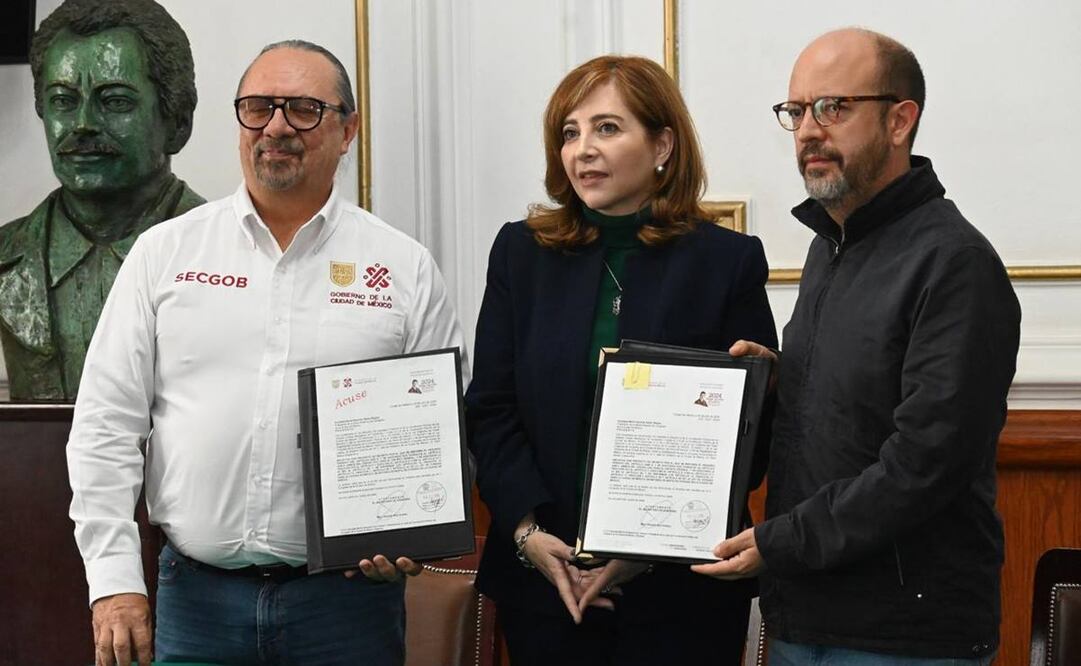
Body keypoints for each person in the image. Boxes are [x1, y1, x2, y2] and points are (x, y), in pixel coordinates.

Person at [67, 40, 467, 666]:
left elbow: (441, 437)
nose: (275, 126)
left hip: (347, 608)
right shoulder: (165, 254)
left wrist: (409, 534)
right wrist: (114, 583)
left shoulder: (403, 269)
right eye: (256, 107)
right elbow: (104, 427)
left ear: (348, 129)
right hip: (195, 604)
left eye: (303, 109)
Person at [693, 28, 1020, 664]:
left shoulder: (956, 263)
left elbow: (925, 464)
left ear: (900, 121)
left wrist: (780, 542)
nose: (809, 130)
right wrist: (783, 379)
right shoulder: (830, 245)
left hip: (904, 634)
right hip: (806, 613)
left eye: (833, 107)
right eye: (796, 111)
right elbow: (863, 398)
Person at [465, 55, 777, 665]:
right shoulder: (520, 254)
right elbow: (492, 409)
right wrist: (529, 535)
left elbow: (749, 437)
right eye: (569, 132)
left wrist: (649, 544)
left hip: (681, 592)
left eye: (607, 128)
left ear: (662, 144)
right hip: (546, 583)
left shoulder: (727, 261)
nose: (583, 149)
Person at [0, 0, 204, 400]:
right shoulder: (7, 256)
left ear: (178, 123)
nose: (83, 124)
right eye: (63, 100)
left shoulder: (233, 254)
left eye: (115, 102)